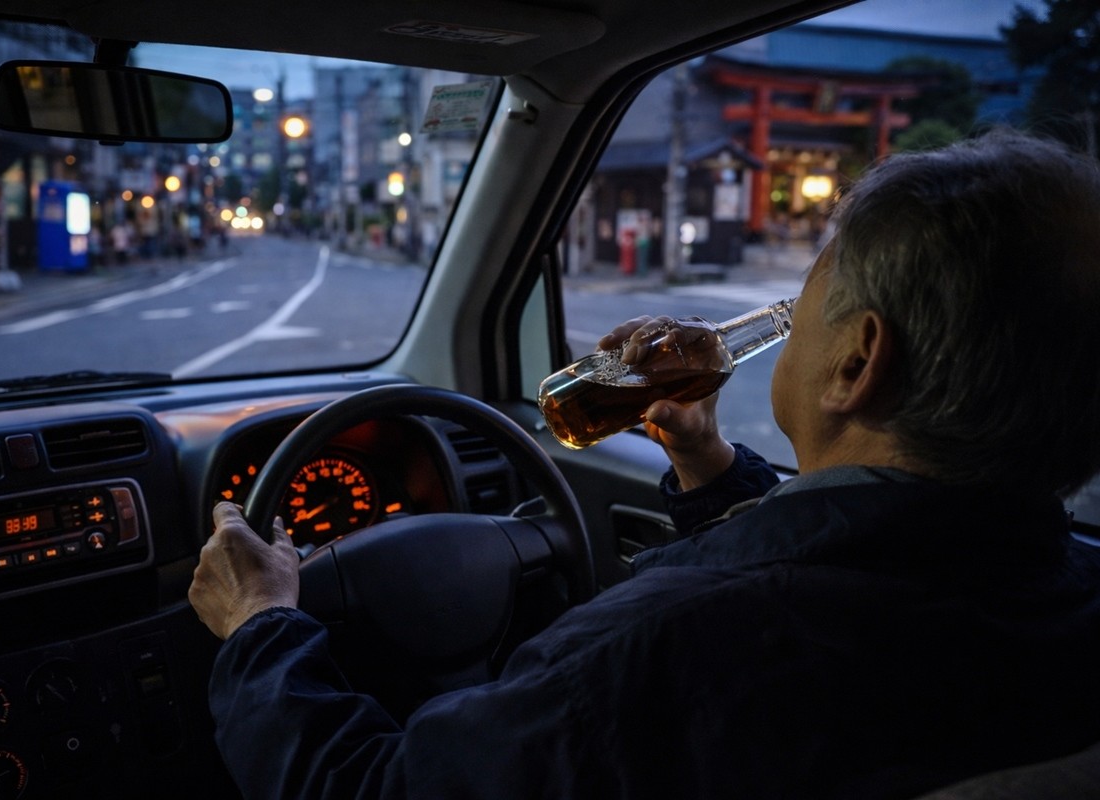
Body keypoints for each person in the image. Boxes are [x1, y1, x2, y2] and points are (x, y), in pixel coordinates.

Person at [189, 130, 1100, 798]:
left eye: (804, 297)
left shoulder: (645, 662)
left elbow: (369, 790)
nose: (781, 321)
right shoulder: (1070, 593)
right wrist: (708, 464)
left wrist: (263, 623)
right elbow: (882, 561)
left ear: (857, 364)